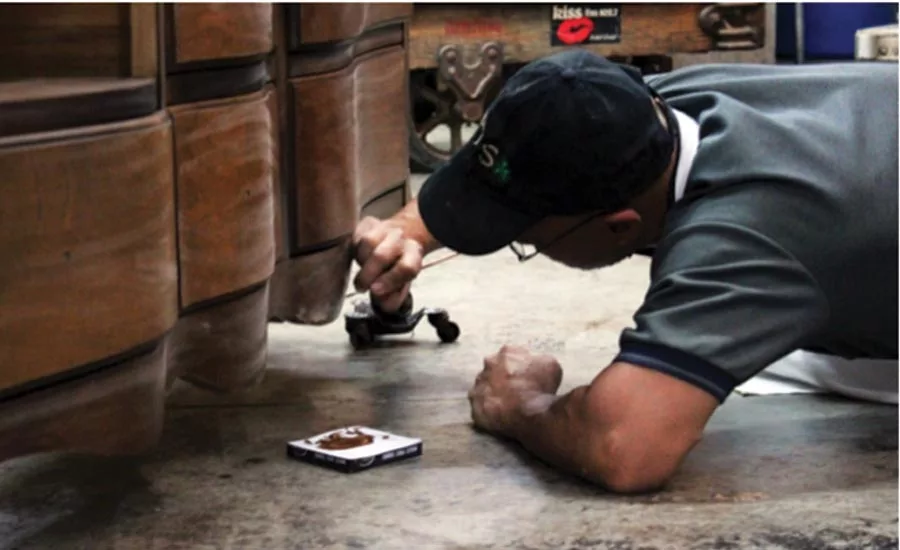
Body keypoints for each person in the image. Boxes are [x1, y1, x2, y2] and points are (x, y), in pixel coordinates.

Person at [351, 49, 899, 493]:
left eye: (527, 239)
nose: (520, 240)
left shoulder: (745, 237)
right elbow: (521, 153)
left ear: (619, 226)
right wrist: (407, 233)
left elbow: (626, 448)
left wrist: (520, 406)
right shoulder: (663, 106)